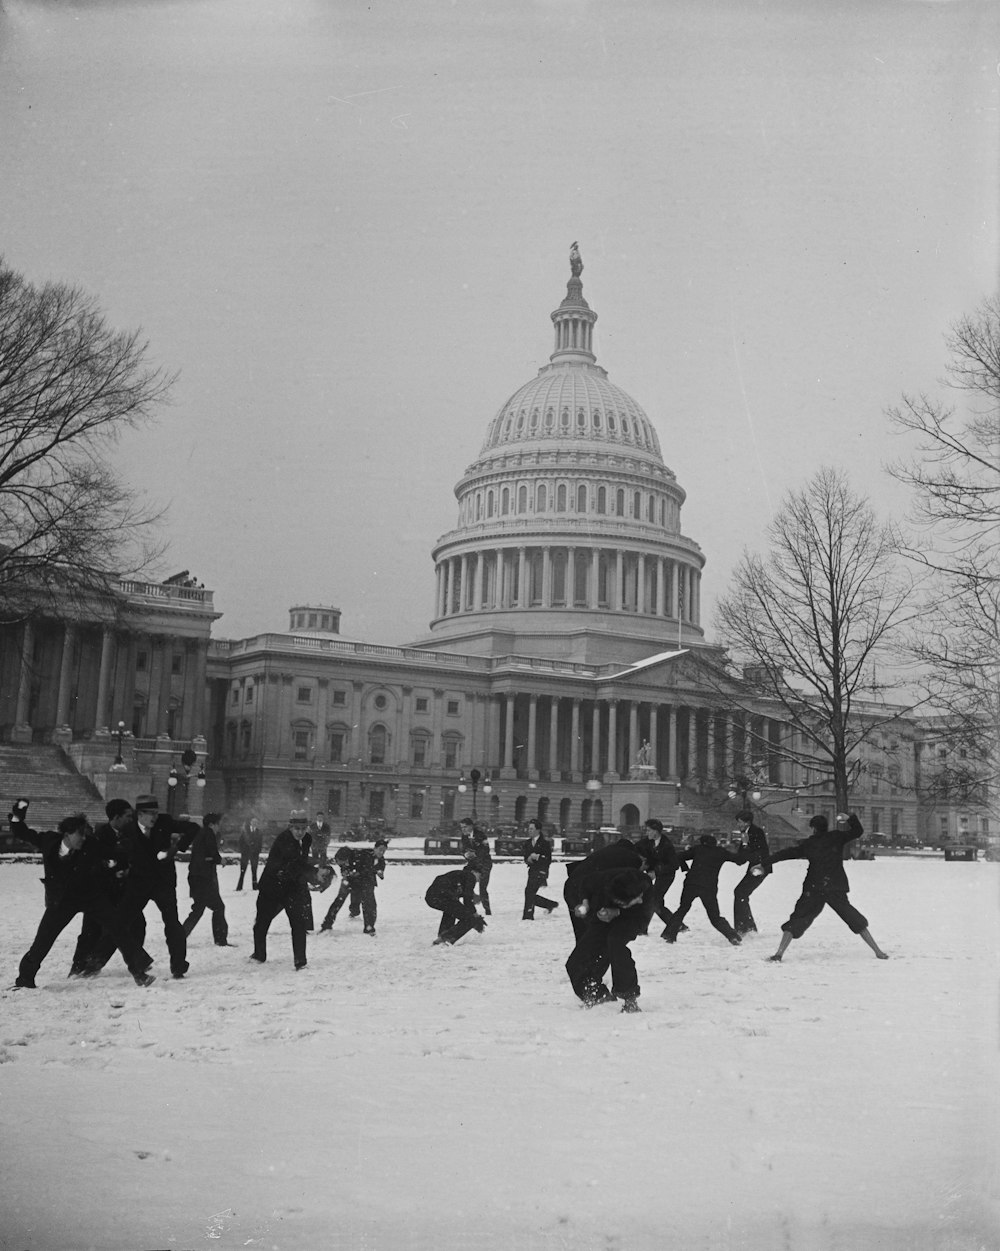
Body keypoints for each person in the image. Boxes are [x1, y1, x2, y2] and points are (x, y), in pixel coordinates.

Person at [12, 803, 154, 989]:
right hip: (62, 900)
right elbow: (23, 832)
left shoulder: (91, 845)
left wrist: (126, 850)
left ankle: (139, 973)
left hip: (91, 896)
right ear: (67, 835)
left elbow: (114, 854)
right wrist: (17, 817)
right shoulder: (49, 841)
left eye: (85, 834)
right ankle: (25, 979)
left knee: (118, 928)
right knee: (44, 940)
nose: (83, 839)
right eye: (79, 834)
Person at [85, 794, 199, 980]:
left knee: (172, 923)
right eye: (149, 814)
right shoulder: (129, 829)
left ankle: (178, 966)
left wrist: (178, 847)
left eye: (156, 813)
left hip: (163, 882)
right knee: (120, 922)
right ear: (139, 814)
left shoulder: (165, 821)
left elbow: (194, 827)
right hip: (138, 883)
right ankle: (94, 964)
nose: (154, 817)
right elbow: (121, 853)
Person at [764, 813, 889, 962]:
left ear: (813, 829)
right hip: (835, 886)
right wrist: (849, 818)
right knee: (852, 917)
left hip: (814, 887)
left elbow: (785, 854)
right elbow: (857, 831)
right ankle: (878, 951)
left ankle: (779, 953)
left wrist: (765, 862)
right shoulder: (836, 837)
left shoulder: (809, 844)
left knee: (797, 918)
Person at [69, 798, 153, 977]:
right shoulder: (100, 836)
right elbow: (94, 864)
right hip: (102, 891)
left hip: (124, 891)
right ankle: (79, 966)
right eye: (128, 816)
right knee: (91, 930)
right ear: (116, 817)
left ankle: (137, 962)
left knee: (137, 925)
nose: (131, 819)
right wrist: (113, 871)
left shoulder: (130, 834)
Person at [564, 866, 650, 1013]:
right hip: (602, 915)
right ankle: (596, 995)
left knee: (615, 943)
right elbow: (585, 883)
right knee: (576, 961)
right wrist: (585, 903)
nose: (640, 901)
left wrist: (618, 912)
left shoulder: (646, 895)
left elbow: (641, 921)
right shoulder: (603, 881)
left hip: (631, 919)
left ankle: (629, 998)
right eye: (636, 900)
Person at [251, 810, 313, 969]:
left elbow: (300, 862)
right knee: (262, 923)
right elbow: (294, 863)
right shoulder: (284, 839)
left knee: (298, 923)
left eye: (303, 828)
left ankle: (300, 960)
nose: (300, 832)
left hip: (291, 887)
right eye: (296, 829)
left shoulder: (307, 839)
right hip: (272, 886)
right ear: (290, 827)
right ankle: (259, 954)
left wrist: (308, 877)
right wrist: (313, 873)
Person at [563, 836, 651, 940]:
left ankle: (583, 953)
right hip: (588, 890)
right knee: (597, 935)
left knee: (582, 935)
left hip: (571, 887)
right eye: (645, 867)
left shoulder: (610, 850)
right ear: (643, 858)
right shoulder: (633, 860)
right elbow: (622, 887)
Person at [663, 834, 743, 946]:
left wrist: (685, 867)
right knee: (715, 916)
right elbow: (739, 860)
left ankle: (670, 935)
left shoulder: (698, 849)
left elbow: (678, 856)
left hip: (691, 884)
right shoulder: (721, 852)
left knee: (682, 909)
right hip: (708, 887)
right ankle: (732, 936)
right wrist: (744, 847)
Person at [182, 812, 232, 946]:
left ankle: (180, 935)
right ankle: (220, 939)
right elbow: (211, 851)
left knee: (199, 908)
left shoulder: (201, 833)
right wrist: (220, 860)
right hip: (203, 878)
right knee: (218, 907)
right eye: (218, 825)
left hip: (196, 877)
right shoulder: (209, 833)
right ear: (212, 824)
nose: (219, 828)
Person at [635, 818, 683, 935]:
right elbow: (634, 849)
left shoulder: (667, 845)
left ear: (656, 831)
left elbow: (673, 865)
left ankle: (642, 929)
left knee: (653, 902)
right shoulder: (646, 842)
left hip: (666, 875)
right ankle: (678, 925)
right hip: (651, 874)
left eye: (649, 830)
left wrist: (656, 872)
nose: (647, 833)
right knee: (654, 902)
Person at [426, 855, 486, 945]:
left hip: (431, 897)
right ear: (474, 871)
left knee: (451, 911)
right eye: (479, 876)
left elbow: (462, 893)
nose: (478, 880)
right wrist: (475, 916)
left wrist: (473, 895)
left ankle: (441, 937)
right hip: (443, 896)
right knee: (469, 919)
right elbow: (467, 900)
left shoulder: (460, 875)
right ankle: (446, 938)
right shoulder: (470, 876)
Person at [732, 810, 771, 935]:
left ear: (747, 822)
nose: (738, 825)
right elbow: (742, 855)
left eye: (740, 822)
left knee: (740, 892)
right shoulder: (745, 833)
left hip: (759, 868)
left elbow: (760, 851)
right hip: (755, 867)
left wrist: (745, 850)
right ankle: (747, 926)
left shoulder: (756, 832)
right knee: (741, 893)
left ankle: (743, 927)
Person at [521, 818, 558, 919]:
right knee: (530, 892)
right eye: (529, 829)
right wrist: (528, 859)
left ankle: (528, 915)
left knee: (529, 891)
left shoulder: (545, 843)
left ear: (538, 830)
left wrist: (537, 857)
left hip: (541, 871)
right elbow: (525, 857)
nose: (529, 830)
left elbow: (548, 859)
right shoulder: (527, 843)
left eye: (532, 829)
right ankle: (550, 904)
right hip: (532, 871)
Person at [318, 846, 358, 931]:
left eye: (342, 863)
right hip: (347, 881)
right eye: (339, 863)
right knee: (339, 900)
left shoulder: (357, 859)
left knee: (356, 898)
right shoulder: (341, 860)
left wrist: (353, 873)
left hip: (359, 882)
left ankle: (355, 911)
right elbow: (343, 869)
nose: (340, 865)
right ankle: (327, 924)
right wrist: (346, 875)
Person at [460, 818, 492, 915]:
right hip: (473, 863)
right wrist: (465, 854)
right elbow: (463, 849)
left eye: (465, 827)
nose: (463, 829)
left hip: (484, 864)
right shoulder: (464, 837)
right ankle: (472, 901)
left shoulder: (481, 835)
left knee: (482, 887)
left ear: (471, 826)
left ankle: (487, 910)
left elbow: (486, 850)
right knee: (464, 879)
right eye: (462, 827)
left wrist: (475, 854)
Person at [236, 817, 263, 891]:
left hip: (254, 854)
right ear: (251, 822)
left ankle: (255, 886)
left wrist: (257, 851)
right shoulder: (245, 831)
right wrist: (242, 851)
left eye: (256, 822)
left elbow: (260, 844)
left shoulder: (259, 832)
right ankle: (239, 886)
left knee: (254, 871)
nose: (255, 824)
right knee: (242, 870)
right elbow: (240, 842)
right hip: (246, 853)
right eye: (253, 822)